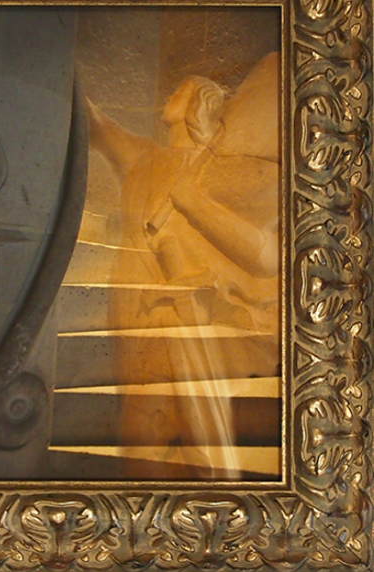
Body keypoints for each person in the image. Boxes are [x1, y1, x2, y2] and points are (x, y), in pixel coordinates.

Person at [86, 52, 280, 478]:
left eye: (179, 91)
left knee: (192, 431)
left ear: (200, 103)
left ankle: (203, 511)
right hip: (135, 307)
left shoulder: (226, 173)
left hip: (191, 314)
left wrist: (194, 203)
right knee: (142, 423)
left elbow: (267, 258)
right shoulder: (146, 158)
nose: (168, 97)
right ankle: (146, 510)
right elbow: (98, 126)